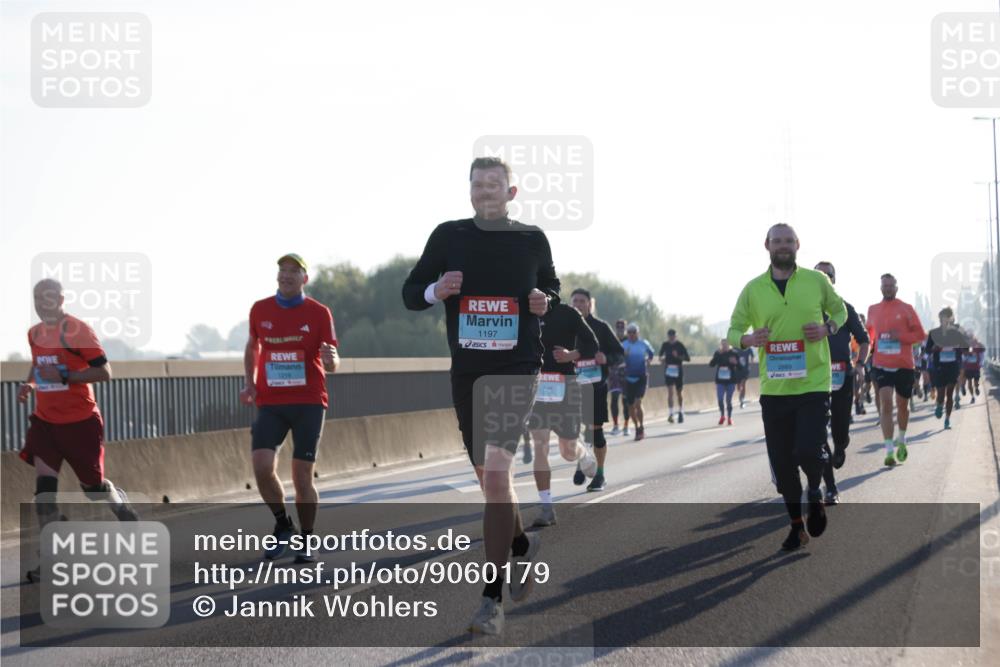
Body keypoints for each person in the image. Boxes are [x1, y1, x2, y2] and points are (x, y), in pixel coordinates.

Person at [401, 156, 558, 635]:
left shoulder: (531, 238)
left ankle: (491, 600)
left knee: (495, 474)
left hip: (517, 368)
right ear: (469, 191)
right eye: (478, 185)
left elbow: (550, 285)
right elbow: (410, 292)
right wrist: (436, 289)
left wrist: (544, 302)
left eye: (495, 184)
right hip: (468, 372)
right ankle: (518, 545)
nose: (486, 191)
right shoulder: (449, 236)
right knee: (491, 480)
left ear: (511, 193)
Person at [727, 223, 847, 551]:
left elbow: (840, 310)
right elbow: (734, 330)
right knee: (782, 464)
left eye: (788, 240)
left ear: (797, 244)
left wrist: (828, 328)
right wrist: (749, 338)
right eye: (777, 240)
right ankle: (797, 527)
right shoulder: (753, 289)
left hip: (812, 383)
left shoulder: (816, 280)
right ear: (767, 245)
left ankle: (816, 491)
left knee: (808, 449)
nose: (783, 245)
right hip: (775, 390)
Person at [18, 279, 138, 583]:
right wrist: (29, 384)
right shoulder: (34, 334)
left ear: (60, 299)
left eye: (47, 297)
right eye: (36, 297)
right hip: (45, 422)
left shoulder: (78, 331)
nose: (41, 302)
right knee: (44, 492)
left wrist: (67, 375)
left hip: (80, 422)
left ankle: (117, 501)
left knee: (93, 489)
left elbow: (104, 372)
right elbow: (38, 364)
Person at [241, 253, 340, 564]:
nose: (286, 276)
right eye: (282, 271)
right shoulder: (260, 309)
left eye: (293, 272)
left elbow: (333, 360)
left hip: (309, 402)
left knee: (301, 477)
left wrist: (329, 360)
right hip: (270, 401)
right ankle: (283, 524)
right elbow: (253, 346)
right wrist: (250, 382)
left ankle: (308, 539)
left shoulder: (319, 313)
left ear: (304, 279)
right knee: (261, 465)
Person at [527, 301, 599, 527]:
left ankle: (582, 452)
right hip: (535, 388)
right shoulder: (522, 310)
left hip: (565, 386)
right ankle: (546, 507)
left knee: (567, 451)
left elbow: (592, 343)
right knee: (540, 444)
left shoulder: (567, 313)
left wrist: (571, 355)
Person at [813, 261, 869, 505]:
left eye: (828, 275)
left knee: (840, 432)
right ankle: (831, 487)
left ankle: (841, 446)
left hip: (842, 377)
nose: (823, 278)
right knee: (817, 434)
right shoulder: (804, 309)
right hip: (813, 380)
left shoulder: (845, 308)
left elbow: (864, 340)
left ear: (834, 280)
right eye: (818, 275)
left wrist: (860, 365)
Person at [867, 274, 927, 466]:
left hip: (903, 365)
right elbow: (870, 336)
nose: (888, 289)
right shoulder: (873, 310)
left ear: (897, 288)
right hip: (881, 364)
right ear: (880, 288)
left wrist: (900, 335)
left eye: (891, 286)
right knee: (886, 404)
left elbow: (920, 335)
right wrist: (865, 352)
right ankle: (889, 451)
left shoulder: (907, 309)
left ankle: (901, 439)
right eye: (885, 286)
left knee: (902, 406)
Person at [570, 288, 625, 492]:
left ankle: (600, 475)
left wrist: (607, 359)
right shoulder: (565, 327)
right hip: (572, 387)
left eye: (582, 301)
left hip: (595, 387)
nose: (578, 304)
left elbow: (619, 354)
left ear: (589, 304)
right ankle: (583, 462)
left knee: (595, 432)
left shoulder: (601, 327)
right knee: (575, 431)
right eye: (574, 300)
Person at [925, 307, 969, 430]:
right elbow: (927, 350)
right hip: (939, 367)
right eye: (942, 319)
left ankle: (947, 420)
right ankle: (939, 405)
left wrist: (959, 348)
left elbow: (966, 348)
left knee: (949, 394)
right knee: (941, 394)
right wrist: (935, 348)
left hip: (953, 366)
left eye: (947, 319)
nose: (944, 321)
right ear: (939, 319)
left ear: (951, 319)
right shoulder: (933, 333)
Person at [622, 323, 655, 441]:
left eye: (633, 332)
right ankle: (637, 427)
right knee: (630, 406)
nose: (631, 334)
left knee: (638, 403)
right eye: (629, 332)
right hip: (628, 378)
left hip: (641, 376)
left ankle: (641, 426)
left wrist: (649, 360)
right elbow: (618, 358)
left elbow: (651, 354)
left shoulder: (643, 343)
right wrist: (624, 357)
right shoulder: (623, 345)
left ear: (637, 333)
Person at [658, 329, 691, 423]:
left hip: (678, 370)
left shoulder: (680, 345)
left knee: (679, 393)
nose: (671, 338)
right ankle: (671, 413)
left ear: (676, 336)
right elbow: (660, 356)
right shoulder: (665, 345)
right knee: (670, 392)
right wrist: (662, 359)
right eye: (670, 336)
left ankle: (681, 411)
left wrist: (678, 356)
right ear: (668, 336)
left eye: (673, 336)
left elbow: (688, 358)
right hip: (668, 370)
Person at [709, 339, 740, 425]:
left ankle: (729, 418)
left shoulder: (734, 353)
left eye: (726, 345)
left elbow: (740, 367)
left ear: (729, 345)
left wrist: (735, 362)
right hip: (720, 380)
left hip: (731, 380)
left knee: (728, 400)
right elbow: (711, 364)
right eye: (723, 345)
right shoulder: (718, 353)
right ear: (720, 345)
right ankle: (722, 416)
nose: (724, 346)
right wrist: (717, 356)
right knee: (720, 399)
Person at [608, 319, 629, 435]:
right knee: (614, 398)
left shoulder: (629, 340)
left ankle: (626, 425)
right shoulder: (611, 339)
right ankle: (616, 425)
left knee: (625, 400)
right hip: (613, 373)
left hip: (626, 373)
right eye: (618, 328)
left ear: (625, 329)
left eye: (622, 328)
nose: (620, 330)